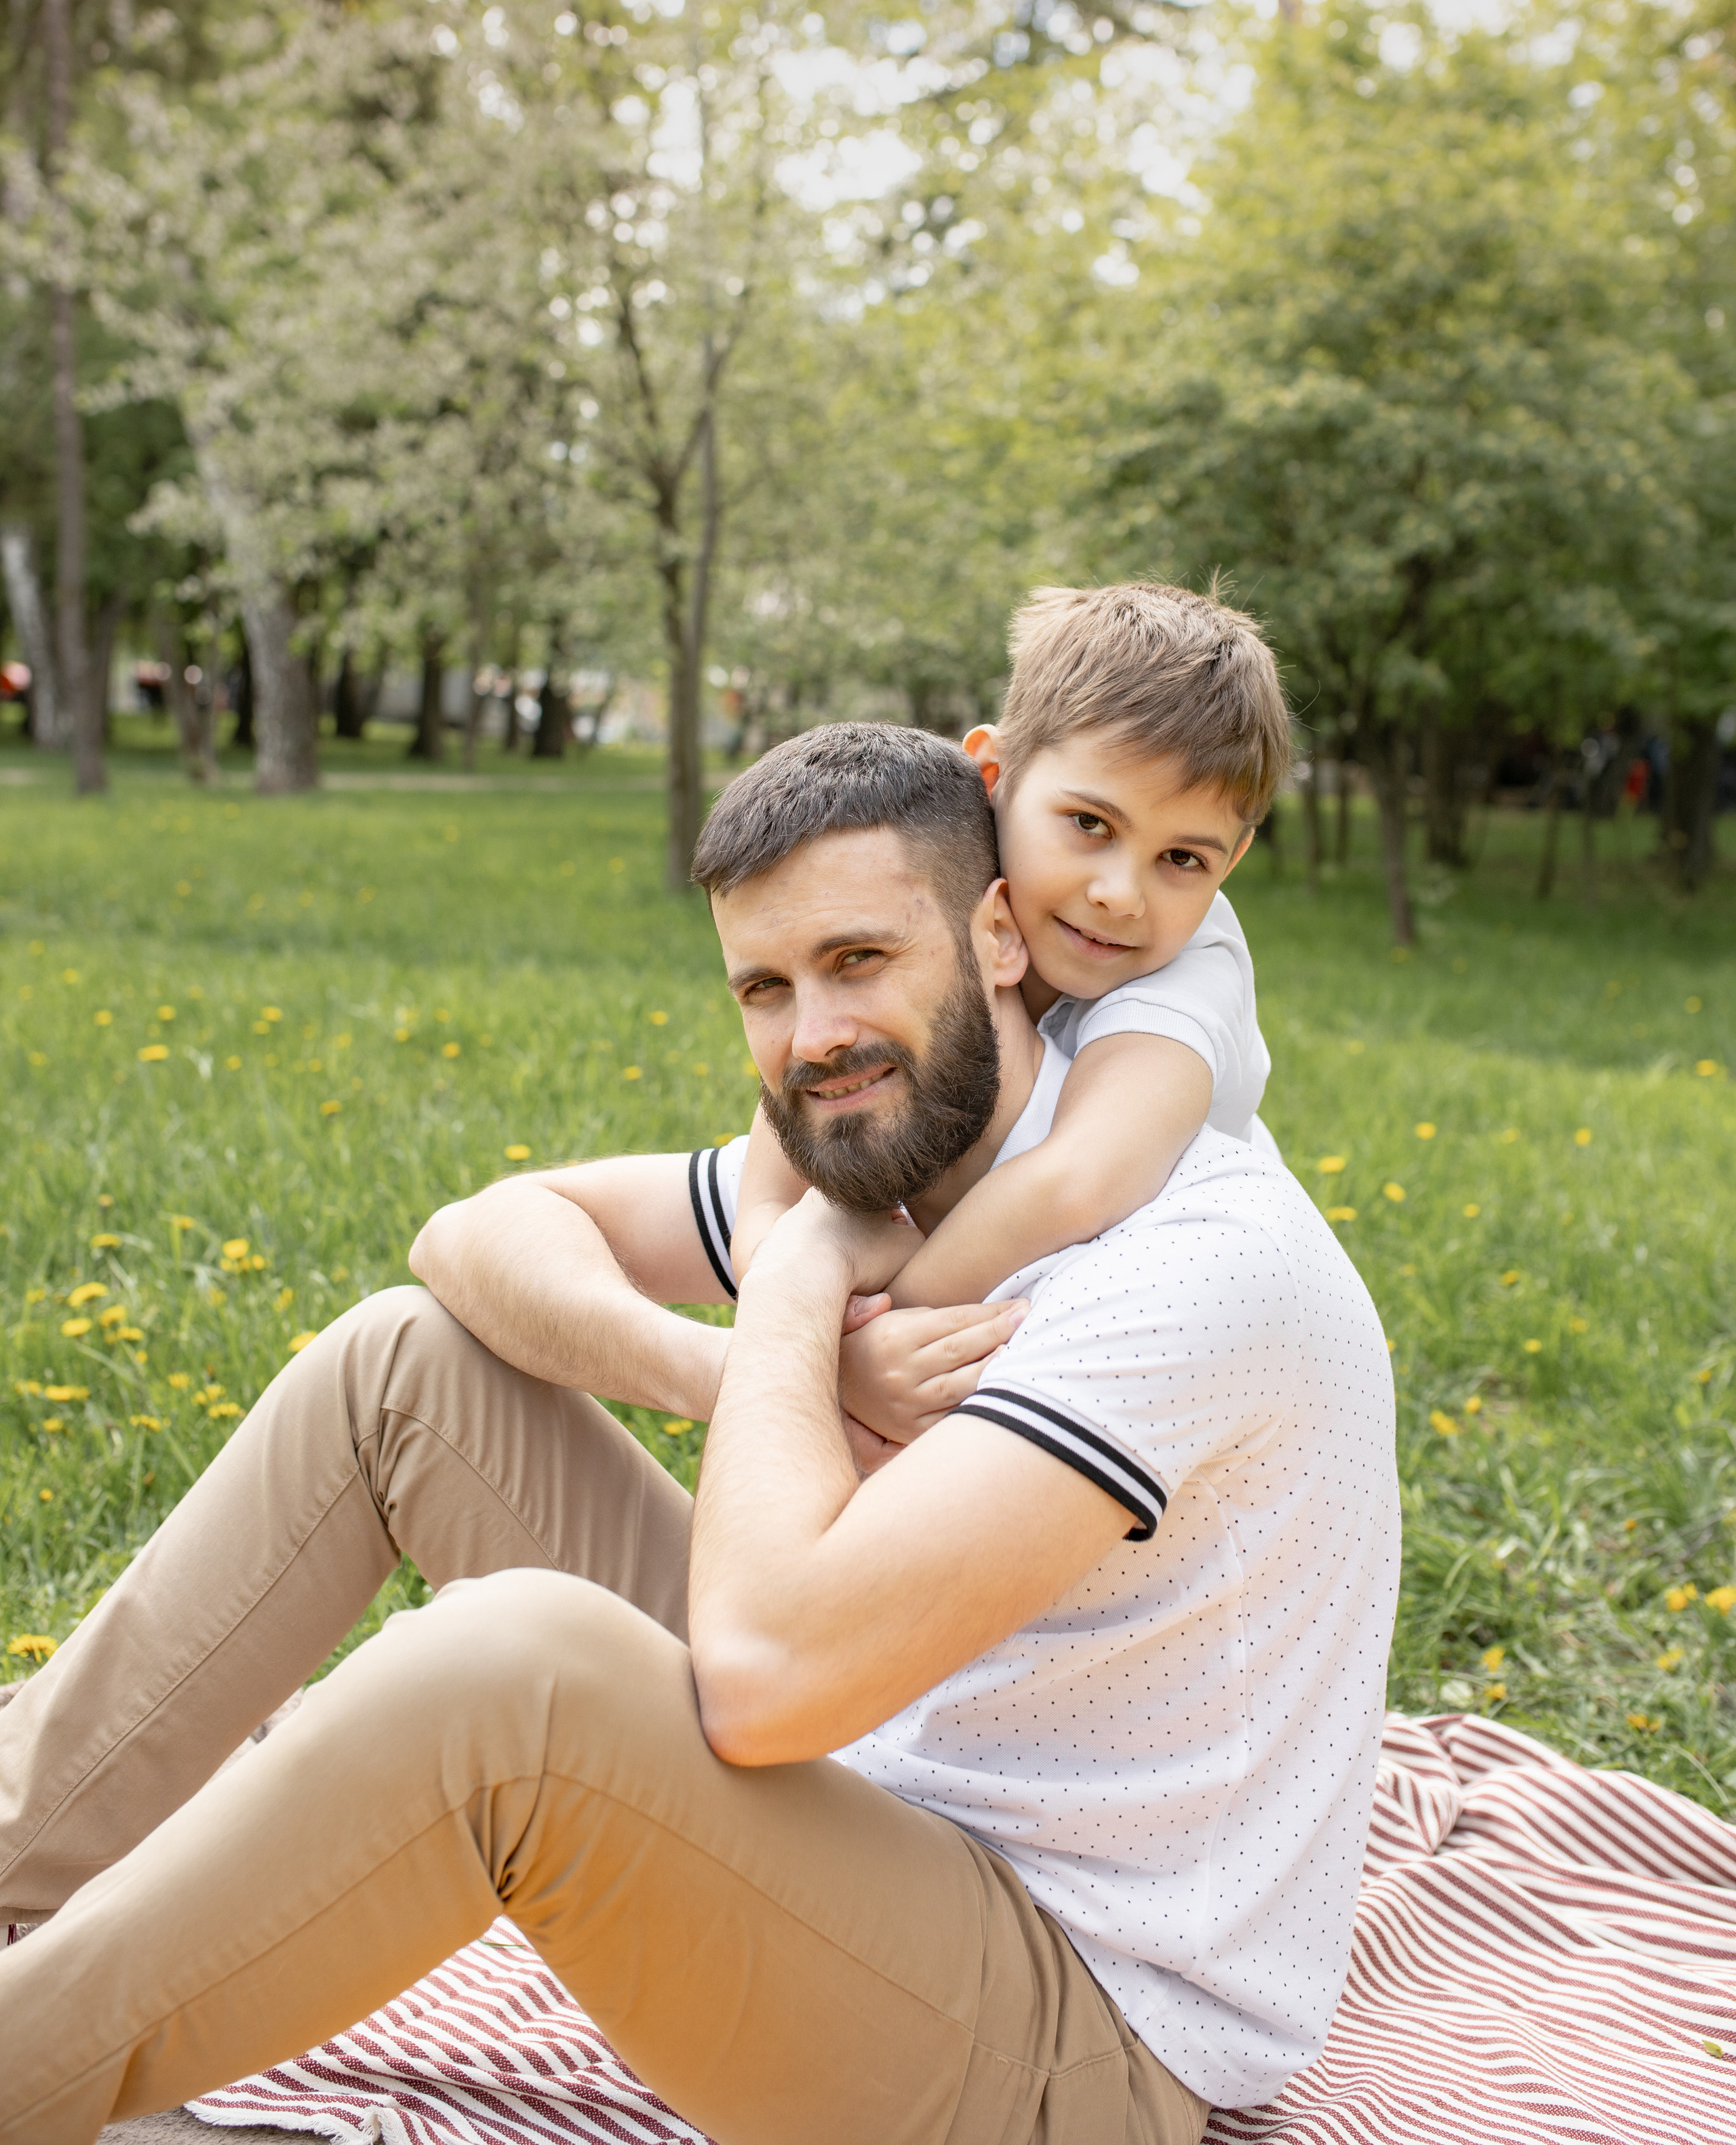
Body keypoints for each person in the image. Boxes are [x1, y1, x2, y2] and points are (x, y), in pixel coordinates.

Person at [0, 724, 1398, 2145]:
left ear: (994, 935)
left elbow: (763, 1684)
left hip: (1072, 2042)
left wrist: (793, 1286)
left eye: (858, 962)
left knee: (513, 1678)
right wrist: (732, 1360)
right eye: (763, 987)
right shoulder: (895, 1143)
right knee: (405, 1370)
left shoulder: (1190, 1256)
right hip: (880, 1787)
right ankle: (17, 1889)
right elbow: (475, 1236)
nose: (811, 1040)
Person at [726, 585, 1288, 1329]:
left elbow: (1078, 1182)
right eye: (1090, 823)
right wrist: (771, 1263)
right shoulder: (963, 881)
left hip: (1162, 1312)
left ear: (1233, 859)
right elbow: (791, 1130)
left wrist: (874, 1335)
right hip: (991, 1246)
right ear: (992, 778)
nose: (1121, 895)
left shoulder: (1193, 970)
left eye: (1182, 859)